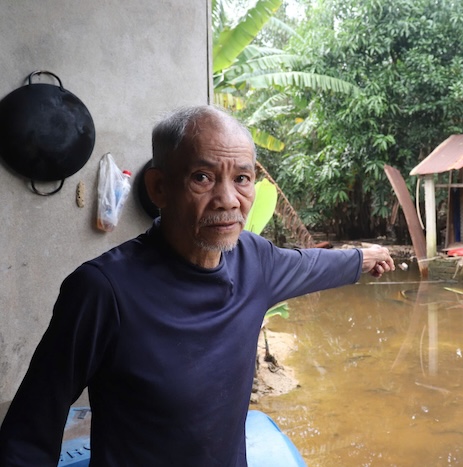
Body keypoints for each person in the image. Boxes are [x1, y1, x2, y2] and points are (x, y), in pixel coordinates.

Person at [0, 105, 394, 466]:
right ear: (159, 189)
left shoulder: (255, 261)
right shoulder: (103, 291)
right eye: (202, 177)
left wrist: (364, 258)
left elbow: (311, 263)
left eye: (242, 178)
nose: (228, 200)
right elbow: (31, 430)